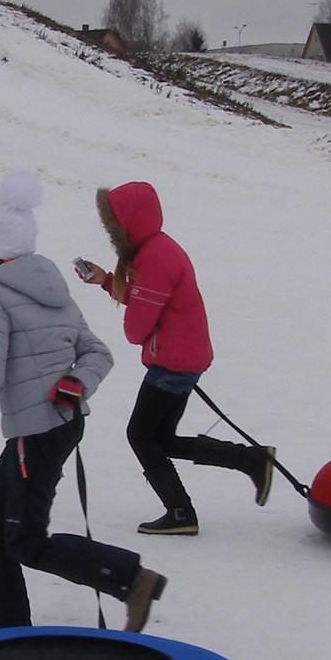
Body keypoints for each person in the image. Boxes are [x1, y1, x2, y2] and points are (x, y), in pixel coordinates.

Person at [0, 172, 168, 634]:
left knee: (25, 540)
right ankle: (1, 630)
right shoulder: (50, 287)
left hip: (38, 432)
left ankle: (130, 580)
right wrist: (76, 382)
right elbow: (98, 354)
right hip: (56, 425)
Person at [75, 181, 274, 535]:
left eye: (114, 224)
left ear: (130, 222)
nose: (112, 231)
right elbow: (146, 301)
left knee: (140, 435)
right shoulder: (158, 248)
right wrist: (107, 281)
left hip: (173, 362)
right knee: (161, 438)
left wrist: (129, 305)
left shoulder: (153, 259)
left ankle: (181, 513)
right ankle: (251, 460)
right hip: (184, 356)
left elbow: (136, 329)